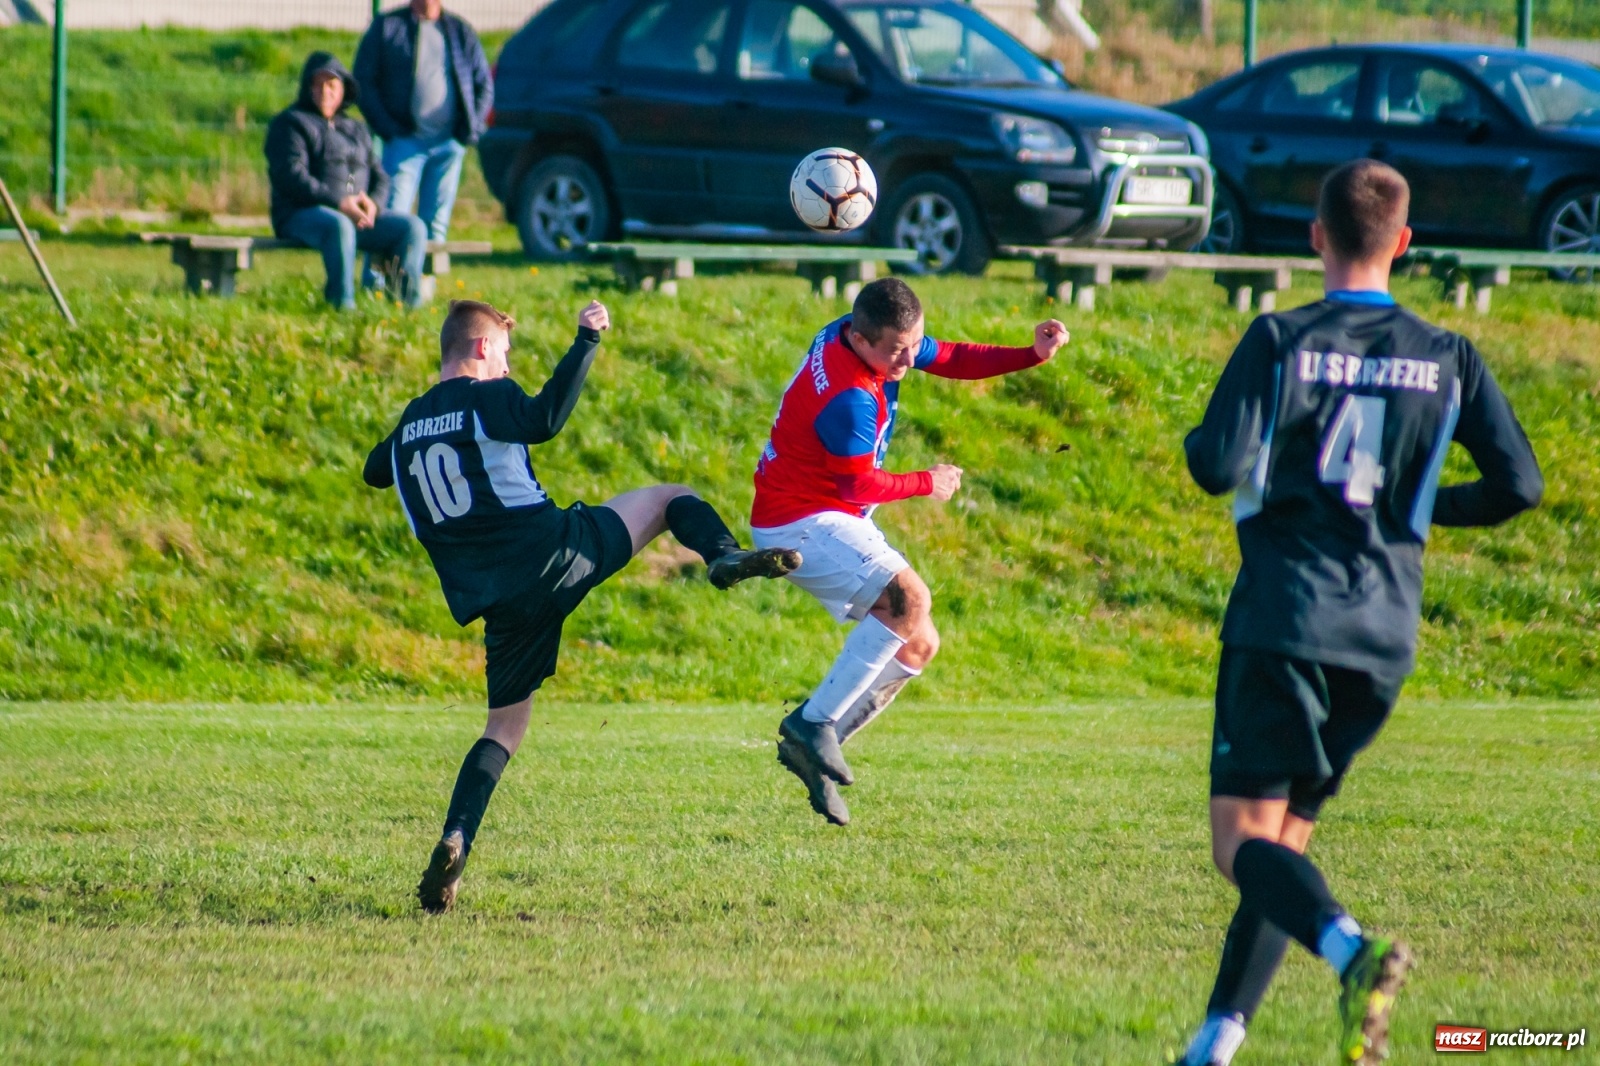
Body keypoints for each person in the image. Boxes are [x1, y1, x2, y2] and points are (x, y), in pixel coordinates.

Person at [1175, 159, 1543, 1066]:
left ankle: (1351, 951)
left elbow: (1216, 465)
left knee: (1240, 849)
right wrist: (1411, 511)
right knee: (1283, 848)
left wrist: (1206, 437)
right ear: (1404, 245)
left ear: (1315, 235)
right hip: (1383, 639)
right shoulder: (1449, 354)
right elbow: (1520, 487)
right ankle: (1213, 1045)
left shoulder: (1280, 336)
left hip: (1286, 619)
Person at [363, 298, 800, 913]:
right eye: (506, 356)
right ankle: (723, 556)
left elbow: (373, 471)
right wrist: (585, 342)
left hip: (494, 599)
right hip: (550, 553)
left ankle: (456, 839)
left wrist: (417, 427)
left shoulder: (410, 424)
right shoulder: (486, 398)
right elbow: (543, 418)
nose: (508, 369)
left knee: (503, 728)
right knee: (670, 497)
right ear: (484, 348)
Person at [751, 278, 1067, 826]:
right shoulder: (849, 397)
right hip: (797, 521)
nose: (907, 358)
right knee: (909, 599)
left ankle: (815, 749)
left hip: (825, 512)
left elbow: (950, 356)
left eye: (910, 343)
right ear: (861, 340)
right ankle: (812, 723)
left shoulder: (866, 335)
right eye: (895, 350)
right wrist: (928, 481)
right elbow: (856, 486)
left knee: (918, 644)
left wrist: (1031, 355)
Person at [266, 52, 427, 310]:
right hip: (301, 215)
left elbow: (380, 176)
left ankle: (405, 306)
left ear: (343, 90)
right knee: (339, 225)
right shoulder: (290, 124)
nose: (324, 91)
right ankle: (342, 306)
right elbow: (291, 177)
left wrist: (373, 203)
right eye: (317, 84)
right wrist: (340, 202)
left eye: (331, 85)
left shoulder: (356, 129)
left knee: (412, 227)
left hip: (357, 218)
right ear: (307, 87)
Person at [354, 0, 492, 244]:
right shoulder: (388, 27)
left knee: (435, 226)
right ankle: (378, 280)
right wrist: (389, 129)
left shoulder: (460, 32)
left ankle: (423, 281)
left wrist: (468, 130)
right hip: (404, 144)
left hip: (448, 144)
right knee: (391, 217)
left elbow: (483, 85)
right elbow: (363, 81)